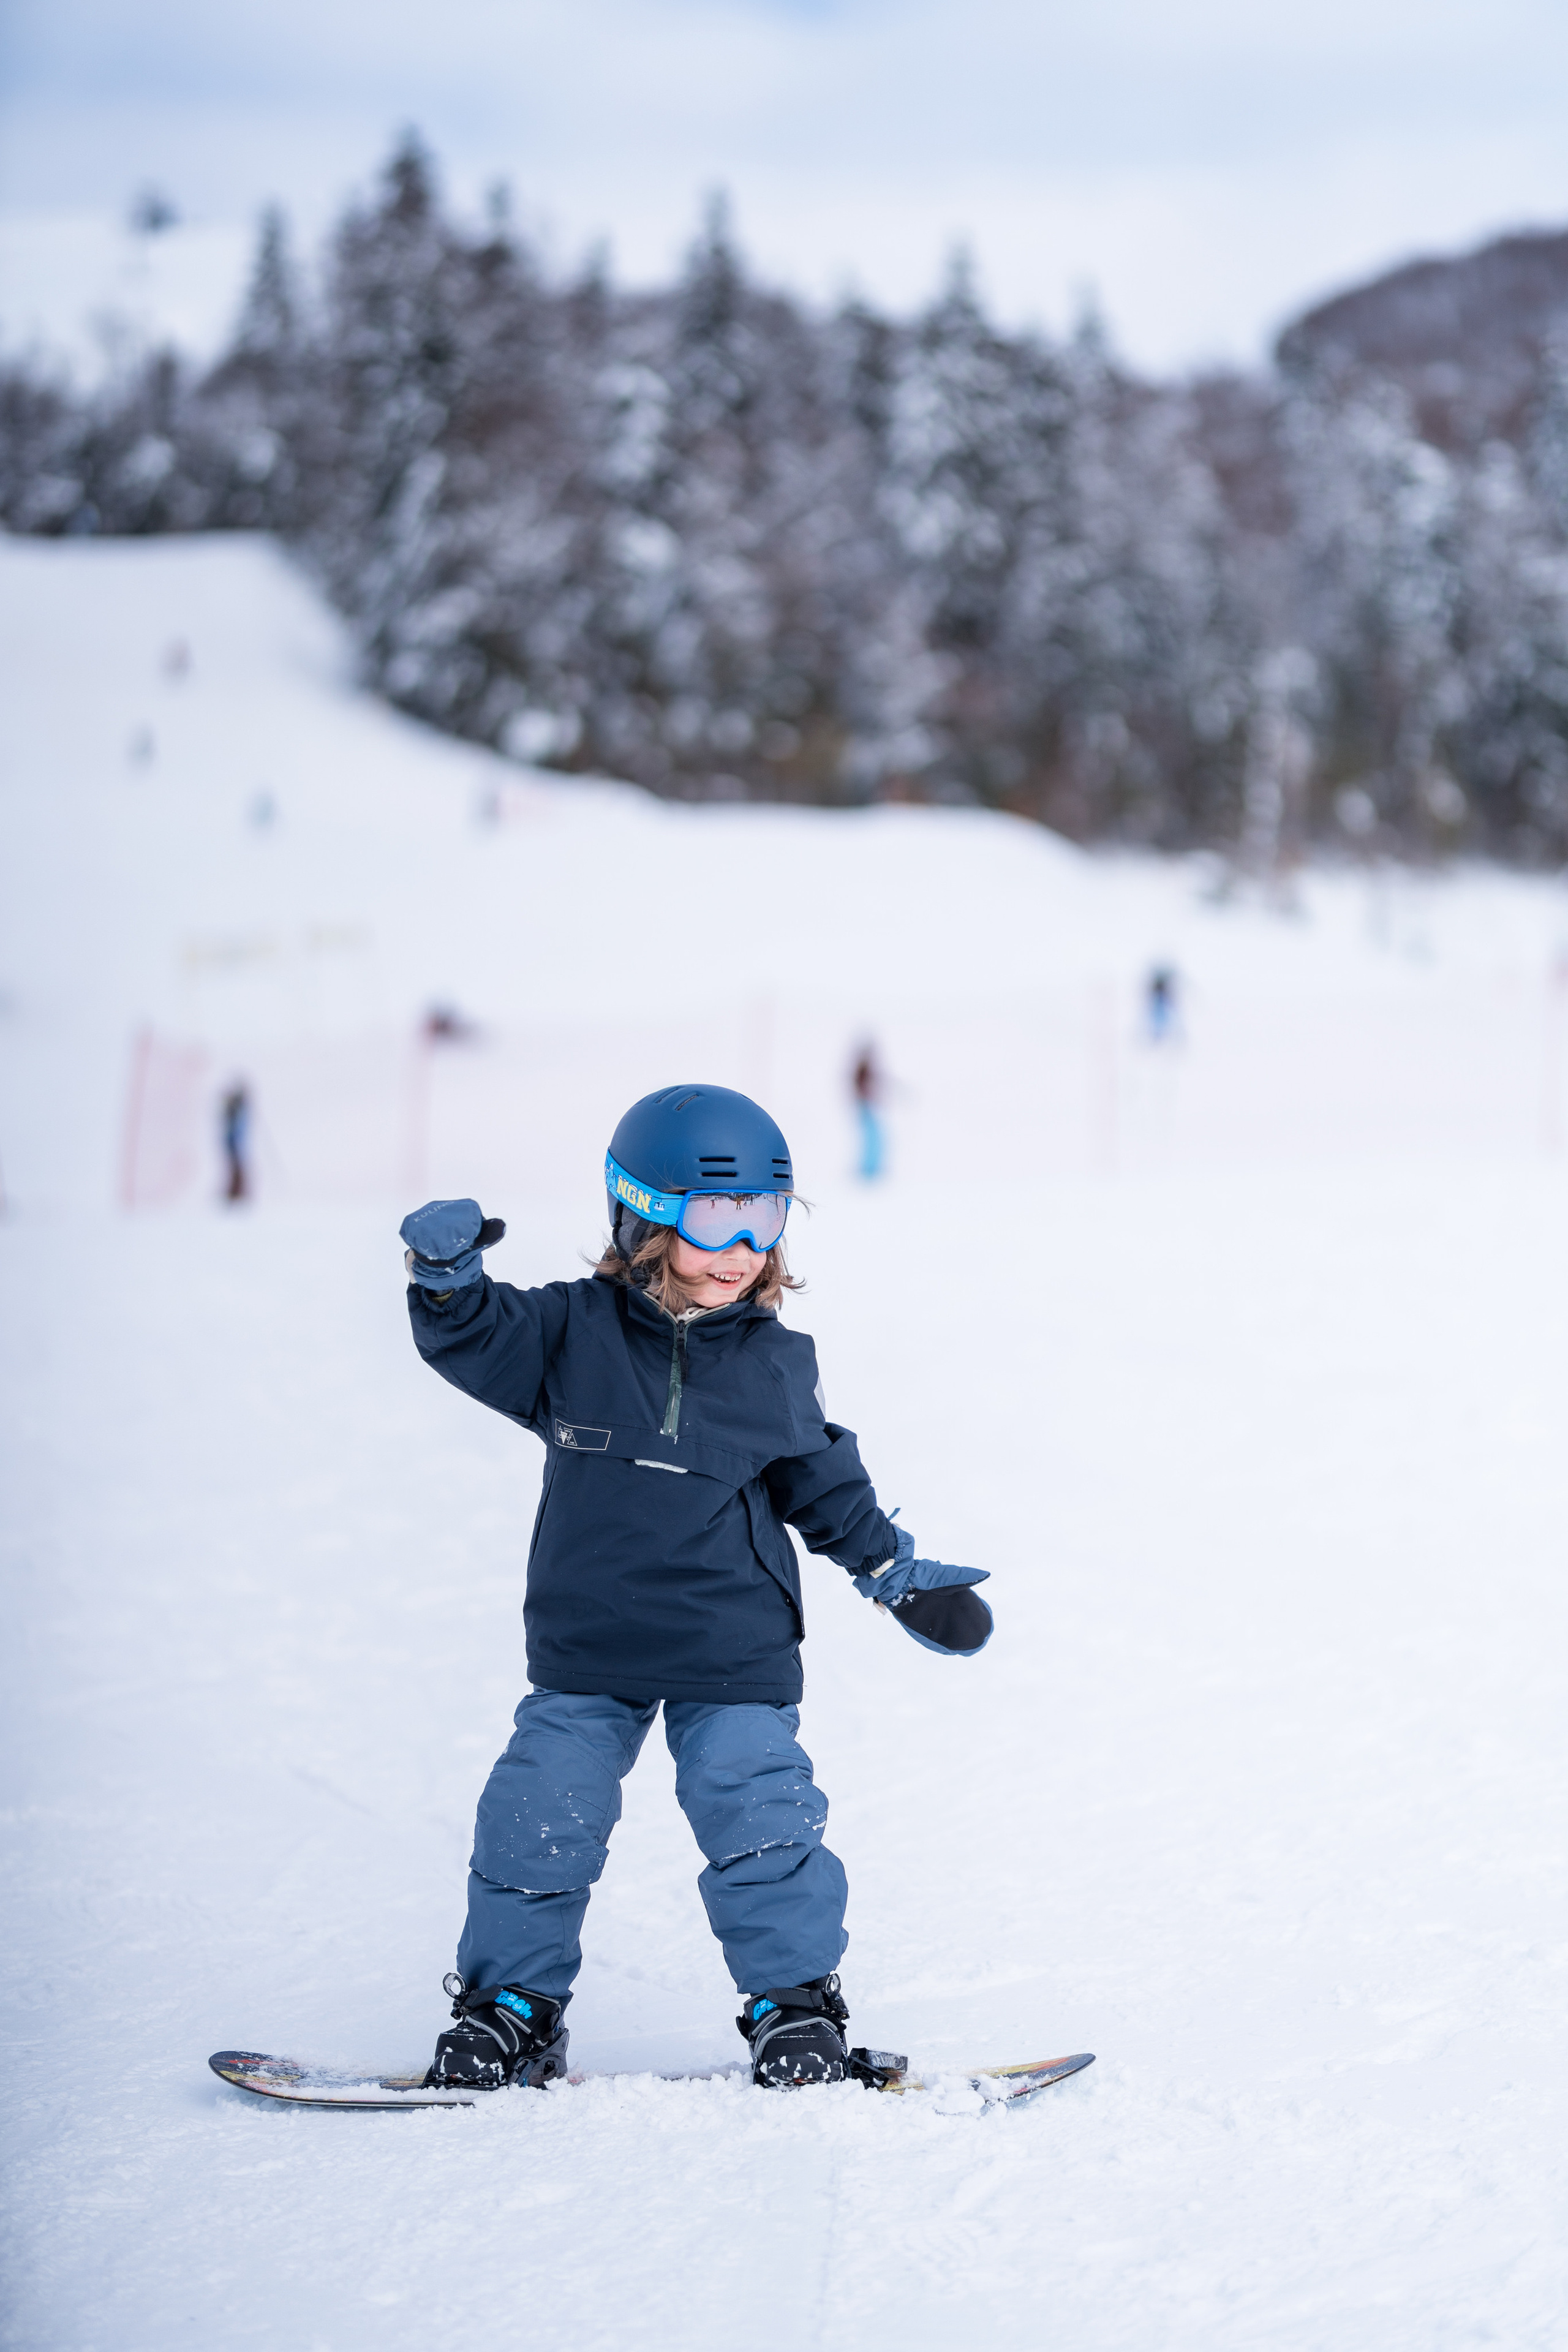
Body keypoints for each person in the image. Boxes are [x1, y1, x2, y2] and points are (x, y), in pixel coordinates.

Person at [400, 1083, 992, 2093]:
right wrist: (449, 1283)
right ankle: (512, 2010)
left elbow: (821, 1480)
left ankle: (795, 2008)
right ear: (644, 1217)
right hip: (591, 1647)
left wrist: (890, 1569)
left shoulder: (774, 1363)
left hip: (733, 1646)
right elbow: (477, 1338)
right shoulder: (567, 1333)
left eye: (765, 1217)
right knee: (537, 1816)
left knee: (763, 1818)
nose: (742, 1248)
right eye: (717, 1217)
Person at [850, 1041, 884, 1179]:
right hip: (865, 1106)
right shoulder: (863, 1070)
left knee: (872, 1137)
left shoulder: (865, 1070)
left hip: (866, 1106)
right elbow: (862, 1088)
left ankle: (871, 1168)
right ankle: (868, 1168)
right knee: (871, 1137)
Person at [219, 1082, 251, 1203]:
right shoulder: (234, 1107)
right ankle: (235, 1191)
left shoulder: (239, 1108)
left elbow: (238, 1125)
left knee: (236, 1165)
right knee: (234, 1165)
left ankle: (237, 1192)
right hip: (233, 1140)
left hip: (236, 1140)